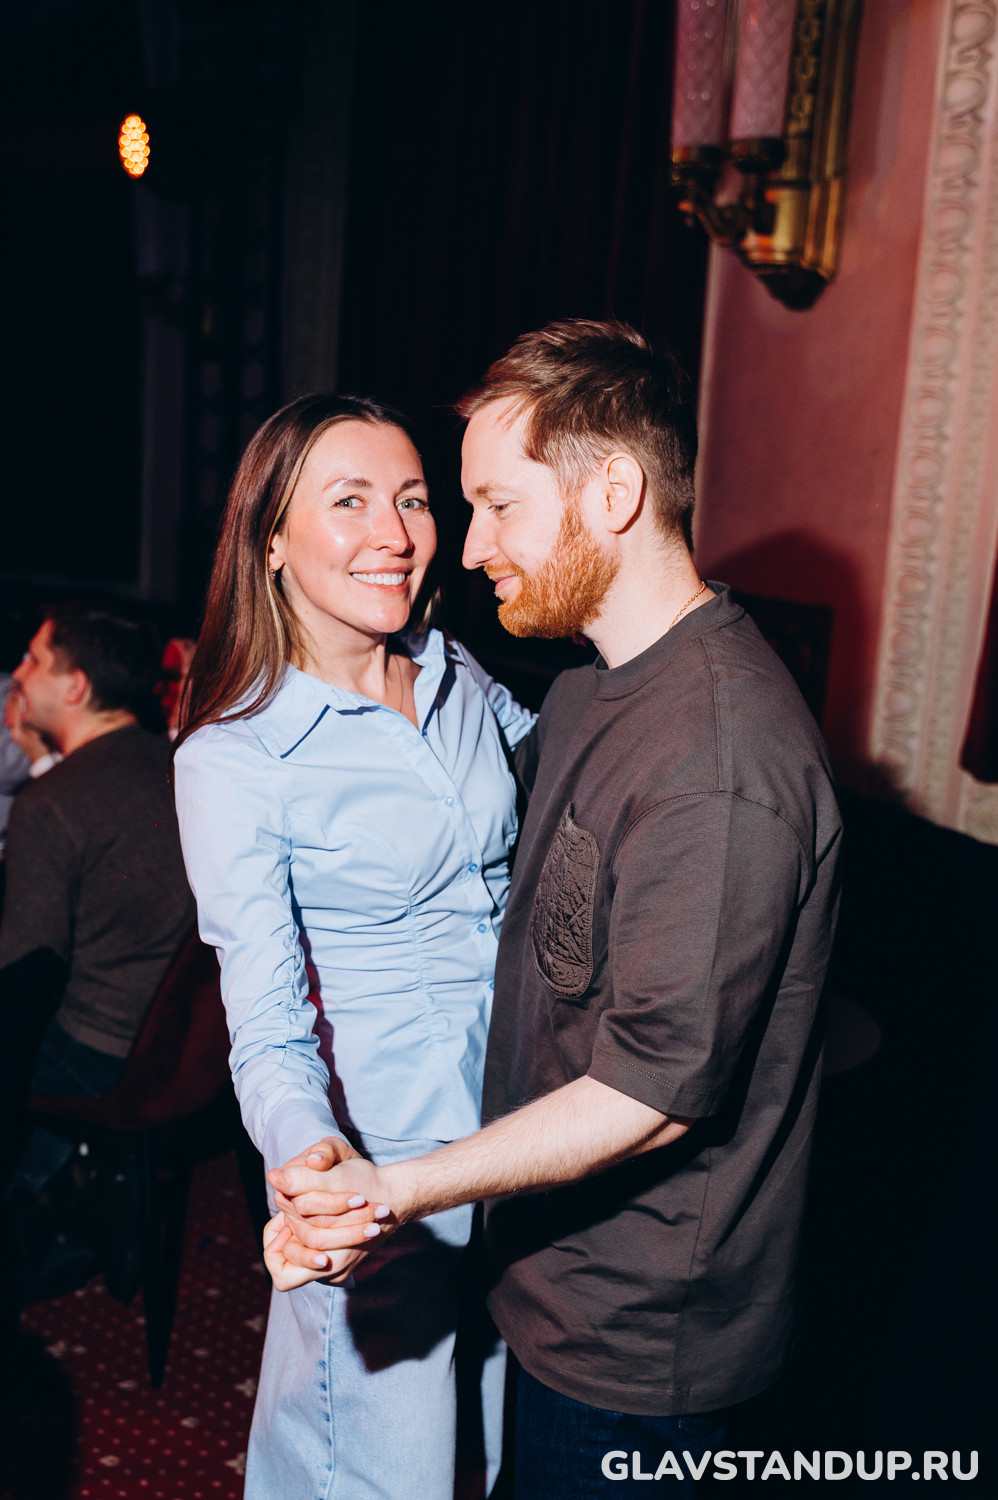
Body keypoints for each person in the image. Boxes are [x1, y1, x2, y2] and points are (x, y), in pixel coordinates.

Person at [268, 321, 844, 1498]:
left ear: (612, 494)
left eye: (497, 506)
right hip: (552, 1287)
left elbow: (648, 1097)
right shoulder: (591, 686)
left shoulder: (718, 759)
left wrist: (398, 1186)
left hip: (641, 1353)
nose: (469, 545)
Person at [172, 393, 534, 1500]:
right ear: (271, 540)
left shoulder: (453, 668)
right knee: (380, 1471)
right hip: (383, 1162)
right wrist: (312, 1162)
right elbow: (265, 1015)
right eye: (350, 501)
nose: (395, 533)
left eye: (414, 500)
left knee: (492, 1448)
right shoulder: (235, 756)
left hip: (523, 1133)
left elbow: (564, 793)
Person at [0, 605, 194, 1202]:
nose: (18, 674)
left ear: (76, 687)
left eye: (34, 660)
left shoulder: (53, 803)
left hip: (101, 1055)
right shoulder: (177, 764)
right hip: (182, 1045)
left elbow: (21, 986)